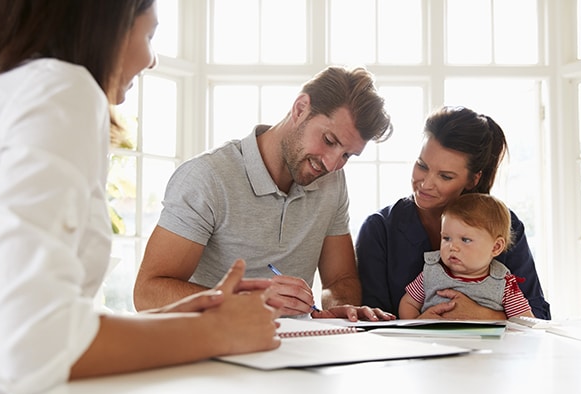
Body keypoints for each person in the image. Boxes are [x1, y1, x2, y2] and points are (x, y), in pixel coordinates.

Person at [0, 1, 279, 394]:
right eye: (149, 34)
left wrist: (178, 318)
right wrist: (220, 333)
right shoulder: (64, 89)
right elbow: (33, 345)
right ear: (104, 21)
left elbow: (12, 317)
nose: (152, 58)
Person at [134, 66, 396, 321]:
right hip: (211, 347)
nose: (331, 164)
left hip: (294, 349)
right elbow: (147, 293)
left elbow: (340, 280)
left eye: (347, 155)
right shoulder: (207, 176)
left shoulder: (333, 182)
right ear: (300, 108)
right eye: (329, 140)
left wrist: (339, 308)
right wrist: (246, 300)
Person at [356, 106, 551, 320]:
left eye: (446, 176)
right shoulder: (379, 229)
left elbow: (537, 318)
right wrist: (419, 325)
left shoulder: (504, 225)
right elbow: (371, 322)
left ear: (473, 179)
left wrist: (481, 315)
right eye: (422, 165)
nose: (426, 184)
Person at [399, 194, 534, 319]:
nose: (453, 247)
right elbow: (408, 303)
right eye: (446, 238)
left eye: (465, 240)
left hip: (484, 344)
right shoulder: (431, 271)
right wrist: (417, 323)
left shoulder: (504, 284)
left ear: (496, 247)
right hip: (434, 342)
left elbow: (524, 322)